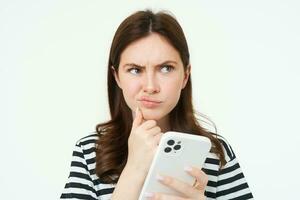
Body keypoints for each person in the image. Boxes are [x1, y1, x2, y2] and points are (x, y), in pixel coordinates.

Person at [60, 10, 253, 200]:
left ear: (185, 76)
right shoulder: (90, 151)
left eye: (166, 68)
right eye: (135, 70)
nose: (150, 86)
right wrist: (134, 170)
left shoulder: (214, 153)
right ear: (116, 76)